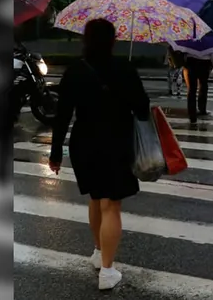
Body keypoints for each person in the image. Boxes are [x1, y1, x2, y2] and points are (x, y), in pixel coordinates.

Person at [49, 18, 150, 291]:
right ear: (113, 41)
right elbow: (142, 108)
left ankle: (97, 251)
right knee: (111, 204)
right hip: (116, 142)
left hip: (84, 143)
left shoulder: (74, 71)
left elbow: (62, 116)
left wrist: (55, 151)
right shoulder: (124, 68)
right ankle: (107, 270)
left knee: (96, 198)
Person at [184, 51, 213, 124]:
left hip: (191, 62)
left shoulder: (190, 40)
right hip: (205, 63)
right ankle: (202, 109)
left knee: (192, 89)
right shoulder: (207, 40)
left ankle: (192, 113)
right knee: (203, 85)